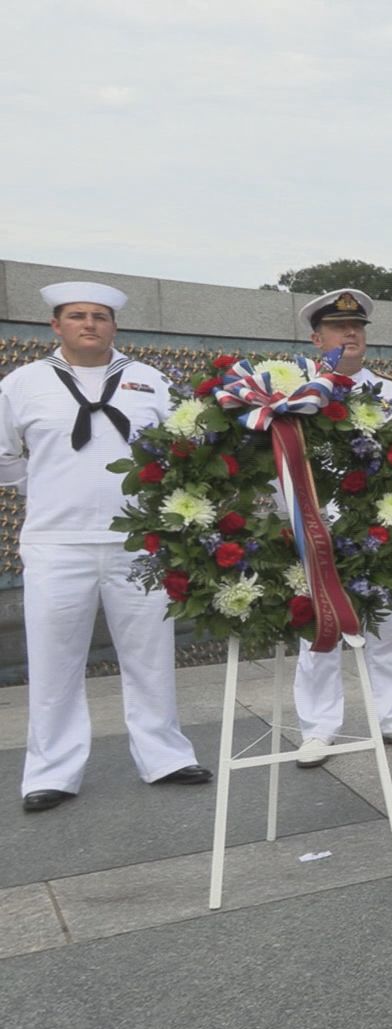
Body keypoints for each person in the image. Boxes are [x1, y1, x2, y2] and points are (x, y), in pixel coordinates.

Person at [0, 282, 208, 812]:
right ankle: (51, 772)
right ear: (55, 325)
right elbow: (4, 458)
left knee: (149, 655)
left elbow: (186, 447)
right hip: (56, 543)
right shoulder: (23, 383)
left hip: (138, 541)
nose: (89, 324)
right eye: (77, 316)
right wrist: (48, 486)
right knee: (53, 662)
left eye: (100, 316)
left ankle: (164, 755)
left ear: (114, 326)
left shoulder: (150, 380)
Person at [291, 289, 392, 766]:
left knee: (389, 627)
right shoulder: (295, 388)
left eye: (356, 327)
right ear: (317, 338)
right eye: (337, 327)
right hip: (319, 524)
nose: (350, 333)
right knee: (321, 629)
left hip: (379, 523)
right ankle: (318, 728)